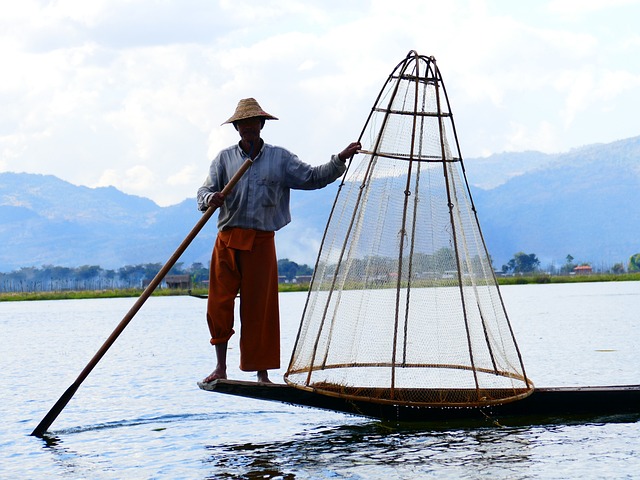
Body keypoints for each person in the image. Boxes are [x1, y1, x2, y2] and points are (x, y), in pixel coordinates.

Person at [197, 98, 361, 384]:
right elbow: (204, 191)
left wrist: (340, 159)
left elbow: (312, 177)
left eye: (252, 122)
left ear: (261, 125)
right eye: (242, 123)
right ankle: (220, 368)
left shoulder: (280, 159)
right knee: (219, 304)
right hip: (227, 240)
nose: (247, 127)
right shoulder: (224, 159)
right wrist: (211, 198)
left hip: (261, 242)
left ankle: (262, 374)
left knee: (260, 308)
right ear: (236, 128)